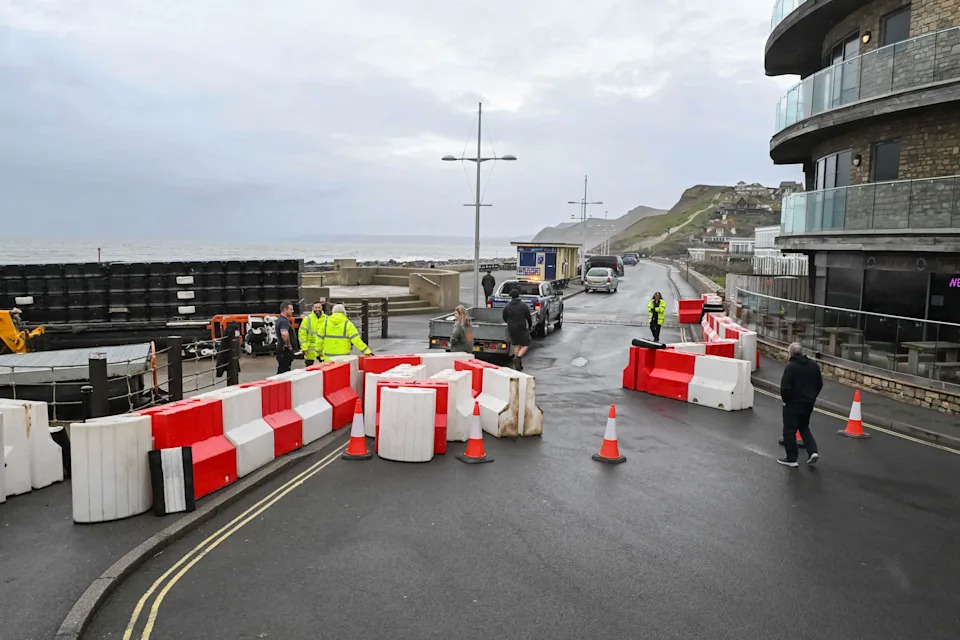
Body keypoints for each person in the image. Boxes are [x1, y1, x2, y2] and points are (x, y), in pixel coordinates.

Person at [778, 342, 823, 467]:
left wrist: (786, 400)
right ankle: (813, 451)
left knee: (789, 430)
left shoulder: (791, 367)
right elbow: (819, 384)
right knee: (804, 427)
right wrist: (812, 397)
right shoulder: (814, 366)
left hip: (793, 404)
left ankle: (791, 459)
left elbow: (785, 388)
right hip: (808, 403)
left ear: (790, 354)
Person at [502, 289, 532, 370]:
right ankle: (518, 357)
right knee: (526, 343)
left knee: (516, 344)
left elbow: (504, 316)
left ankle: (517, 362)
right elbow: (528, 317)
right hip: (521, 327)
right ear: (518, 296)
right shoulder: (523, 305)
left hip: (511, 328)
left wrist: (509, 323)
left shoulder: (507, 306)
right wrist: (530, 325)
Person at [298, 300, 326, 366]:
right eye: (316, 307)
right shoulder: (307, 319)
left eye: (319, 307)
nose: (317, 309)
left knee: (325, 368)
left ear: (322, 308)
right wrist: (304, 348)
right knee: (308, 369)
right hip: (310, 350)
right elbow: (302, 334)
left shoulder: (327, 318)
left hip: (323, 349)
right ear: (312, 308)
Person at [275, 301, 299, 374]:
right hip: (285, 351)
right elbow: (284, 334)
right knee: (284, 372)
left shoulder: (280, 320)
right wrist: (289, 346)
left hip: (282, 350)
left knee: (282, 370)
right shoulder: (283, 321)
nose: (293, 311)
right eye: (291, 309)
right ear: (285, 310)